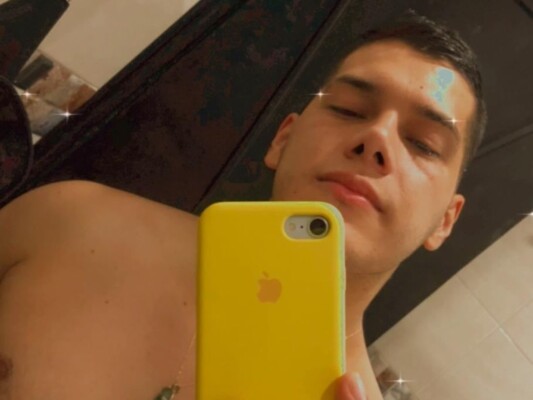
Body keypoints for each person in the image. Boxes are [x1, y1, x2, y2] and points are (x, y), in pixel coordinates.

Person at [0, 10, 486, 400]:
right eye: (348, 109)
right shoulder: (67, 219)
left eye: (423, 144)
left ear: (445, 221)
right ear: (283, 139)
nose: (376, 138)